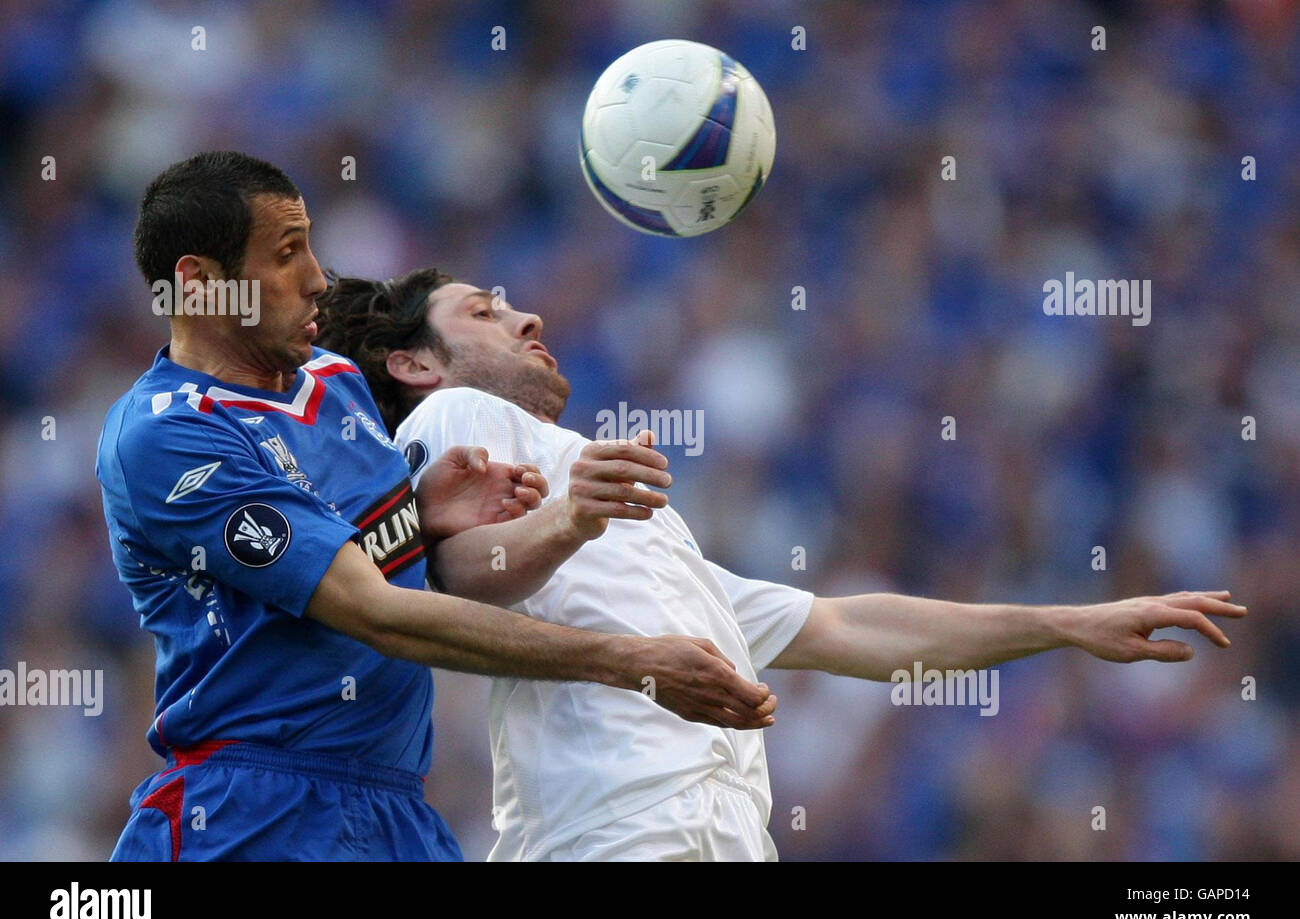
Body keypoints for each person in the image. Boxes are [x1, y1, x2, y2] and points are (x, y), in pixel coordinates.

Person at [314, 267, 1248, 862]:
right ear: (416, 367)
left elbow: (851, 627)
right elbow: (463, 572)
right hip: (616, 833)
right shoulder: (458, 423)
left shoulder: (653, 539)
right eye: (484, 311)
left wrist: (1069, 625)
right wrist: (571, 519)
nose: (526, 314)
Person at [95, 152, 776, 862]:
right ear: (199, 286)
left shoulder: (335, 382)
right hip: (249, 815)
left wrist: (418, 515)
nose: (318, 279)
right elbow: (373, 611)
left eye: (312, 247)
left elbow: (358, 561)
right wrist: (629, 662)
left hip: (396, 815)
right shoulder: (168, 434)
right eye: (287, 254)